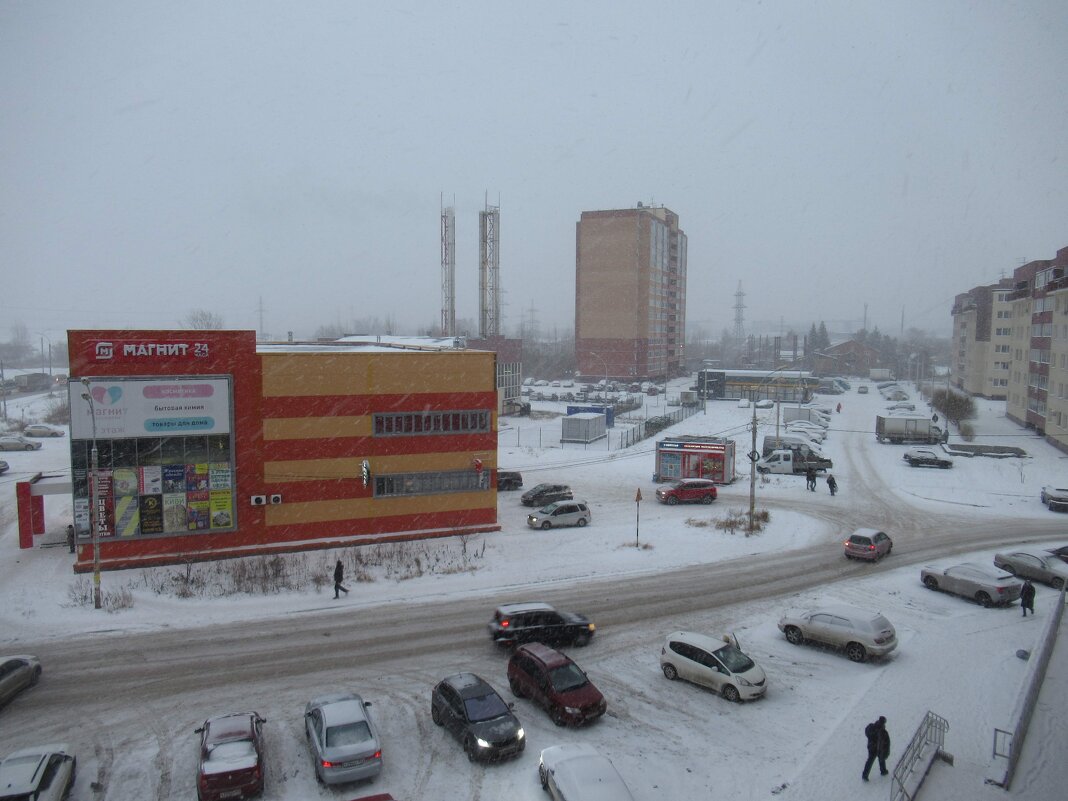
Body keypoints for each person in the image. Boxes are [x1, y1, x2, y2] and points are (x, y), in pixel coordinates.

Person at [862, 716, 891, 781]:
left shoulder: (872, 727)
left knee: (870, 761)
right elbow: (886, 742)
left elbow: (868, 733)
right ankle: (883, 771)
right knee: (881, 759)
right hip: (878, 748)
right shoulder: (882, 731)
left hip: (871, 747)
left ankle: (865, 775)